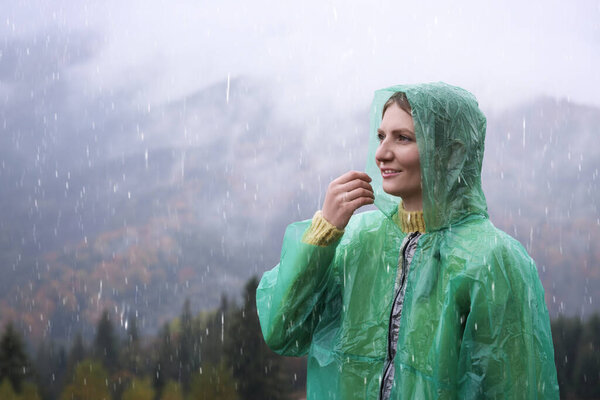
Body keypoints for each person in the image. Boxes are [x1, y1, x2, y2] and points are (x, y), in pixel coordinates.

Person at [256, 82, 559, 399]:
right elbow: (285, 331)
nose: (381, 153)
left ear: (451, 152)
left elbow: (517, 387)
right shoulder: (357, 241)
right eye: (381, 136)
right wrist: (324, 232)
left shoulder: (492, 258)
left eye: (402, 138)